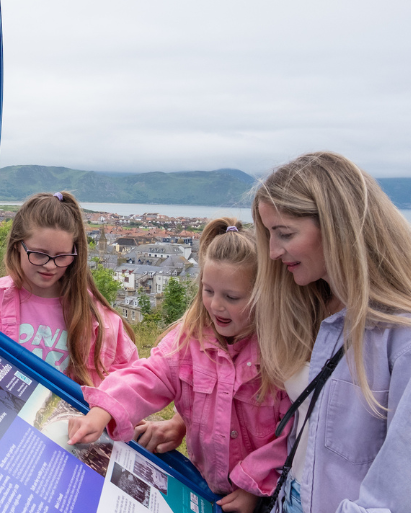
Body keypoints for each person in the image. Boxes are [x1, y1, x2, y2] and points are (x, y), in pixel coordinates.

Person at [251, 152, 411, 513]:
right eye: (269, 234)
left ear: (338, 228)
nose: (272, 252)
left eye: (284, 234)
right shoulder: (316, 308)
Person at [67, 218, 289, 513]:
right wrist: (102, 410)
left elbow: (292, 434)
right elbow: (149, 375)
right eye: (208, 291)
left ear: (264, 295)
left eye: (231, 297)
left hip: (268, 495)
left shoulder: (280, 353)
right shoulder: (189, 340)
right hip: (206, 486)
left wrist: (252, 486)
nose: (216, 305)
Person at [0, 191, 139, 388]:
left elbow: (128, 379)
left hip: (70, 429)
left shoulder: (96, 317)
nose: (50, 265)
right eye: (39, 254)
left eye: (62, 256)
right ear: (17, 244)